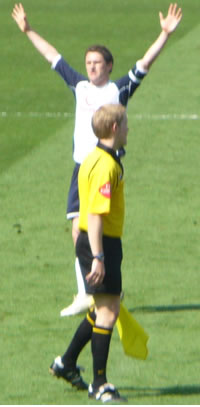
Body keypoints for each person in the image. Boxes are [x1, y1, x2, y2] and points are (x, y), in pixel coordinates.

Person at [12, 3, 182, 316]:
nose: (91, 67)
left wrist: (164, 34)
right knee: (78, 231)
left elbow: (145, 62)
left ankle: (106, 286)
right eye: (88, 62)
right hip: (81, 170)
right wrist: (28, 31)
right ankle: (85, 293)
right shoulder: (79, 86)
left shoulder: (119, 89)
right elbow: (53, 57)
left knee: (101, 229)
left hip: (106, 168)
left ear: (109, 65)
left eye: (97, 63)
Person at [50, 103, 129, 402]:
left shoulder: (94, 157)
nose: (127, 129)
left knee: (103, 306)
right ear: (114, 128)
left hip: (97, 240)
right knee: (108, 311)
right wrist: (99, 257)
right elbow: (96, 214)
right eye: (125, 125)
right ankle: (100, 384)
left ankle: (66, 362)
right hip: (100, 241)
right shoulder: (106, 165)